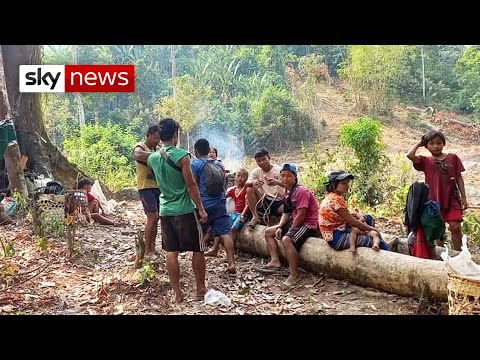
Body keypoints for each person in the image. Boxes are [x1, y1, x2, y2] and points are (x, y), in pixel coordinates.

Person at [135, 118, 208, 303]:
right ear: (176, 134)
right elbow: (191, 185)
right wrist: (201, 208)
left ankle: (177, 293)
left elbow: (142, 158)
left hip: (166, 210)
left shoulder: (153, 158)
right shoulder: (182, 156)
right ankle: (200, 289)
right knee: (198, 250)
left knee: (171, 253)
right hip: (185, 210)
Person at [407, 130, 467, 251]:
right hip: (433, 201)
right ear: (427, 146)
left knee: (455, 227)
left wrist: (464, 197)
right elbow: (410, 155)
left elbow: (459, 177)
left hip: (452, 199)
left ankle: (458, 253)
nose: (436, 146)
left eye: (439, 143)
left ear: (443, 144)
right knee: (438, 229)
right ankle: (440, 255)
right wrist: (420, 143)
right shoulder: (425, 161)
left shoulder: (453, 158)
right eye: (431, 143)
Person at [261, 163, 320, 287]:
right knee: (268, 232)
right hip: (296, 221)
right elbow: (287, 212)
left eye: (289, 176)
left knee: (287, 239)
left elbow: (301, 215)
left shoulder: (301, 191)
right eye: (282, 176)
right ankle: (275, 261)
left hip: (308, 224)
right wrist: (280, 226)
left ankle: (294, 275)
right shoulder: (288, 192)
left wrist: (290, 230)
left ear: (295, 177)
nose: (285, 179)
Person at [191, 138, 236, 274]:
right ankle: (231, 263)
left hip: (204, 204)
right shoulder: (219, 165)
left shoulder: (196, 164)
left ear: (196, 151)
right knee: (225, 233)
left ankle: (198, 268)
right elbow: (224, 183)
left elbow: (193, 185)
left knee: (199, 235)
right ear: (208, 149)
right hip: (220, 203)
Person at [318, 171, 389, 252]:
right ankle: (387, 252)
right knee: (372, 240)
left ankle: (373, 236)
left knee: (368, 218)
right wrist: (372, 228)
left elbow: (342, 216)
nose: (347, 186)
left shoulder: (331, 197)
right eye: (343, 183)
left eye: (347, 183)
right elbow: (352, 222)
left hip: (336, 230)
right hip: (336, 237)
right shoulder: (336, 199)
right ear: (334, 185)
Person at [205, 168, 251, 257]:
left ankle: (231, 253)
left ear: (246, 178)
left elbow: (248, 203)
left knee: (233, 229)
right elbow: (222, 197)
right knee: (220, 228)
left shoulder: (246, 189)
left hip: (243, 214)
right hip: (234, 213)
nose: (240, 178)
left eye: (243, 176)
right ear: (235, 178)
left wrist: (242, 214)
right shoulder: (233, 190)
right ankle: (214, 249)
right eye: (238, 176)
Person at [133, 124, 161, 261]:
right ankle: (148, 251)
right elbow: (137, 155)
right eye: (155, 138)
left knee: (157, 218)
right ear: (148, 135)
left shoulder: (157, 149)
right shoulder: (141, 146)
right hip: (145, 187)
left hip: (158, 187)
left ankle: (152, 246)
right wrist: (157, 155)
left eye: (159, 139)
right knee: (152, 216)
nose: (157, 141)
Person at [245, 147, 285, 228]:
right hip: (264, 201)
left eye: (264, 159)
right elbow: (246, 183)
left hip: (279, 200)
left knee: (290, 209)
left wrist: (276, 182)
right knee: (249, 188)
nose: (262, 162)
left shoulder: (279, 170)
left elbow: (289, 185)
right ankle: (255, 217)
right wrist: (253, 182)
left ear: (269, 158)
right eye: (259, 161)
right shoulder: (256, 171)